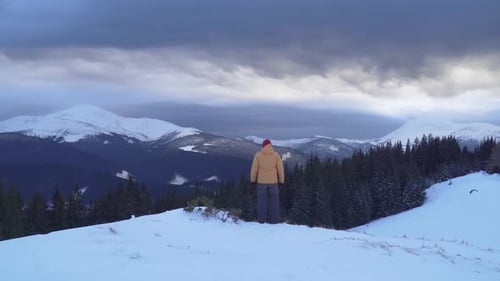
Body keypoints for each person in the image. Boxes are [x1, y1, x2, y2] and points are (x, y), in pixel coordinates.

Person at [250, 138, 285, 223]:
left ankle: (261, 220)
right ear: (270, 146)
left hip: (261, 182)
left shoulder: (258, 155)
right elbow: (280, 169)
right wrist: (281, 181)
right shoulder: (276, 155)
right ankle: (275, 220)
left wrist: (252, 180)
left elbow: (254, 169)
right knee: (274, 202)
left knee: (261, 202)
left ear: (263, 146)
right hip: (273, 182)